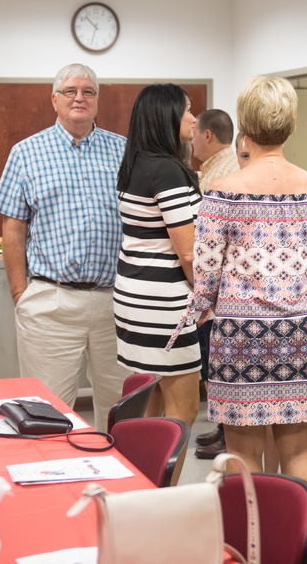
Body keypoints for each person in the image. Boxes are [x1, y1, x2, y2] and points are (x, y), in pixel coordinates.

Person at [188, 75, 307, 487]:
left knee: (242, 450)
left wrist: (203, 310)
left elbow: (205, 278)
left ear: (245, 126)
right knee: (300, 448)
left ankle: (250, 541)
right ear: (289, 125)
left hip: (239, 331)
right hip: (301, 329)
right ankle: (297, 545)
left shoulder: (222, 191)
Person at [0, 63, 128, 432]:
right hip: (50, 302)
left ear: (98, 100)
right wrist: (22, 294)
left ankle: (115, 488)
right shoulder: (26, 152)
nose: (79, 97)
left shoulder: (125, 152)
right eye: (70, 91)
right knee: (45, 414)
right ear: (54, 99)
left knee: (121, 414)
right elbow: (13, 228)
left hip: (116, 304)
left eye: (88, 91)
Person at [114, 84, 202, 425]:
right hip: (165, 306)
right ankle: (166, 481)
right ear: (166, 118)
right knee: (182, 414)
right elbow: (189, 253)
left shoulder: (134, 164)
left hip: (134, 297)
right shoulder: (167, 171)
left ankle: (145, 479)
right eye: (187, 110)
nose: (194, 118)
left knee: (148, 410)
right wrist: (208, 298)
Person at [190, 109, 241, 459]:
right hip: (220, 291)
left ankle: (229, 435)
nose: (190, 138)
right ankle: (224, 430)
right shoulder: (216, 169)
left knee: (218, 363)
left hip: (221, 292)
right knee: (213, 362)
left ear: (208, 135)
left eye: (194, 131)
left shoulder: (223, 176)